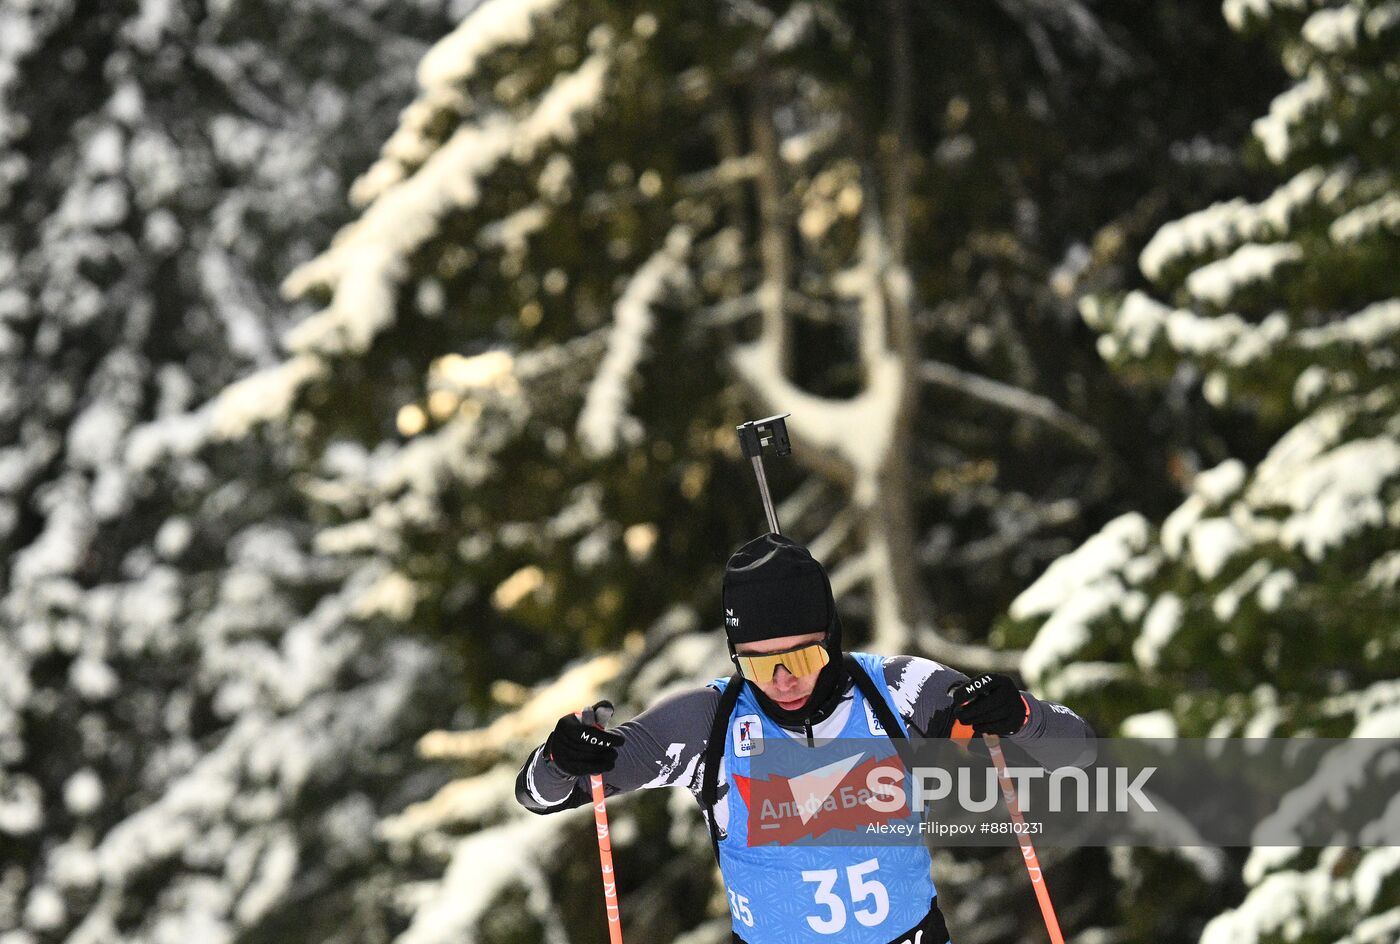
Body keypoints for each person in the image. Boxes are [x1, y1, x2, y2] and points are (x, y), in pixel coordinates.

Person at [516, 533, 1094, 944]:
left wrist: (1018, 715)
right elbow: (540, 794)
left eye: (803, 656)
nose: (784, 681)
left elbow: (1078, 754)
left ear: (833, 637)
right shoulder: (706, 725)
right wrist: (561, 758)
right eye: (760, 665)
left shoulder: (900, 692)